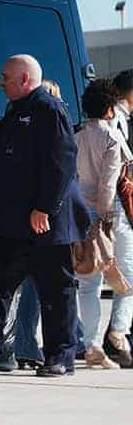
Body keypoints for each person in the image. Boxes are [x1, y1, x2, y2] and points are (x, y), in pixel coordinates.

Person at [0, 55, 93, 377]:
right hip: (12, 221)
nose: (0, 83)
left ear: (25, 79)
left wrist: (46, 207)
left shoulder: (48, 110)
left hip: (44, 222)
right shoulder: (16, 111)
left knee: (56, 290)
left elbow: (62, 161)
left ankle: (60, 356)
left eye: (5, 77)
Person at [73, 79, 129, 369]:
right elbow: (109, 184)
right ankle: (114, 335)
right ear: (110, 108)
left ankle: (91, 345)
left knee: (86, 284)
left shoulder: (76, 137)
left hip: (79, 213)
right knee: (124, 277)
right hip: (106, 216)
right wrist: (105, 218)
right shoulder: (112, 138)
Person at [12, 77, 65, 369]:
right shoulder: (50, 127)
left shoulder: (23, 126)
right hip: (44, 219)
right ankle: (28, 345)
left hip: (30, 215)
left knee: (39, 283)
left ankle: (29, 344)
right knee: (46, 284)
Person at [106, 69, 133, 367]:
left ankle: (107, 336)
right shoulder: (118, 120)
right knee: (128, 276)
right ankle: (117, 334)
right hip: (116, 208)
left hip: (105, 206)